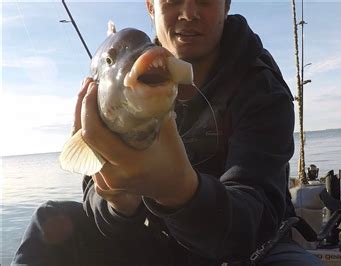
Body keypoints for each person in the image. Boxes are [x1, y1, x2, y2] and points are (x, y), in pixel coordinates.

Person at [13, 0, 322, 265]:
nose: (188, 13)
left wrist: (178, 190)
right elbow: (97, 205)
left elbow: (254, 221)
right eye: (172, 0)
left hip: (249, 248)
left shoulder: (261, 88)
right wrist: (119, 202)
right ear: (151, 6)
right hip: (157, 238)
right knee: (48, 222)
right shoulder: (125, 79)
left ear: (226, 4)